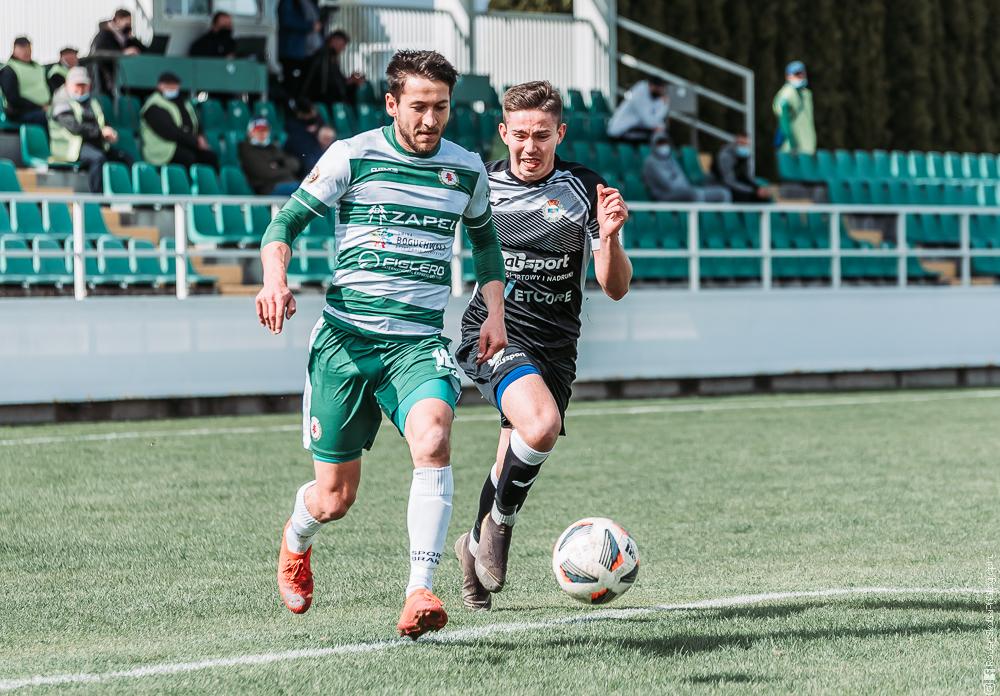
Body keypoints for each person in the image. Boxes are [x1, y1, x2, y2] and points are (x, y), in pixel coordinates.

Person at [258, 49, 507, 639]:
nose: (430, 119)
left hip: (417, 345)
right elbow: (284, 224)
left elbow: (486, 246)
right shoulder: (352, 155)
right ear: (392, 104)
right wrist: (274, 279)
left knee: (434, 437)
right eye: (418, 106)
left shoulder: (466, 169)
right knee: (334, 498)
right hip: (345, 344)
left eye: (441, 107)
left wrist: (495, 312)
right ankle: (296, 537)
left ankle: (420, 590)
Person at [452, 81, 632, 610]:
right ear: (504, 132)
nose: (530, 147)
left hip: (556, 345)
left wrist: (610, 237)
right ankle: (499, 527)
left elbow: (615, 288)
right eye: (520, 135)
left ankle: (472, 547)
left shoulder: (585, 188)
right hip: (495, 330)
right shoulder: (483, 185)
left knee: (513, 454)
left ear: (560, 134)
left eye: (542, 135)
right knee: (541, 424)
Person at [49, 67, 133, 193]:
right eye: (78, 85)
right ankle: (97, 198)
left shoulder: (92, 102)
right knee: (98, 158)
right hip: (71, 148)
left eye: (84, 85)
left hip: (94, 144)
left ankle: (129, 196)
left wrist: (109, 131)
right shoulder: (61, 101)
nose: (81, 89)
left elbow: (102, 121)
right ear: (67, 84)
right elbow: (75, 127)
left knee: (125, 158)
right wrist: (100, 132)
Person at [139, 72, 219, 169]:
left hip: (185, 143)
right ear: (160, 86)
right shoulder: (153, 105)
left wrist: (200, 136)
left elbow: (195, 122)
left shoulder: (184, 102)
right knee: (188, 157)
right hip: (163, 149)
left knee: (210, 157)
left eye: (174, 85)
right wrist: (196, 142)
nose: (172, 88)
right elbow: (169, 132)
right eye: (168, 85)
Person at [642, 133, 730, 203]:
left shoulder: (671, 158)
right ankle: (701, 219)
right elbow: (668, 185)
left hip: (684, 191)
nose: (663, 146)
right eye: (660, 143)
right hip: (665, 195)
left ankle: (720, 218)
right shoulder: (650, 162)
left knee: (723, 193)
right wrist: (687, 189)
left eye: (665, 143)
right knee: (695, 194)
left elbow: (682, 179)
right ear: (653, 145)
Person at [300, 30, 365, 105]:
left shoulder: (332, 60)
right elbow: (326, 85)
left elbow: (338, 82)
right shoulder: (322, 59)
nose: (343, 48)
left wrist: (351, 80)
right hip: (324, 101)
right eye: (342, 45)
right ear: (333, 40)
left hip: (332, 101)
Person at [238, 118, 300, 195]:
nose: (262, 134)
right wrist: (285, 169)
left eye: (264, 130)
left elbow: (295, 165)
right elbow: (265, 173)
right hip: (268, 189)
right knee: (301, 190)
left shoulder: (272, 148)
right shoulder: (246, 149)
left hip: (287, 184)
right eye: (258, 131)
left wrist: (279, 164)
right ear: (250, 133)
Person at [0, 37, 50, 127]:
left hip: (45, 107)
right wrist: (40, 107)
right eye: (22, 49)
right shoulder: (9, 70)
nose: (26, 52)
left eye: (28, 48)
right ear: (14, 50)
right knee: (51, 117)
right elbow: (13, 99)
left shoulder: (38, 67)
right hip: (22, 112)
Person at [278, 0, 323, 97]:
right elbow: (286, 20)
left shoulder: (311, 3)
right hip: (292, 51)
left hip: (307, 53)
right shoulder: (289, 2)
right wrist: (309, 26)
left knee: (303, 86)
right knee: (291, 85)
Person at [606, 76, 669, 143]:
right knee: (657, 138)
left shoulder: (651, 96)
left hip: (632, 129)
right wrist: (664, 106)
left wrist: (660, 126)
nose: (660, 92)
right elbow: (649, 122)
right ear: (651, 86)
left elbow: (656, 120)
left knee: (660, 136)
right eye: (658, 89)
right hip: (619, 133)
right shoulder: (639, 95)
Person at [713, 134, 771, 203]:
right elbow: (729, 181)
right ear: (735, 143)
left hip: (738, 185)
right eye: (742, 144)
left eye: (746, 145)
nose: (744, 146)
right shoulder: (725, 156)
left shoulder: (745, 156)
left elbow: (748, 177)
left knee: (764, 196)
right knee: (751, 196)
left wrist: (758, 188)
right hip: (722, 185)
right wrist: (753, 191)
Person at [773, 60, 816, 155]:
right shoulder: (787, 93)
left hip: (808, 146)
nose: (800, 76)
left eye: (801, 73)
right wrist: (792, 141)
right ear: (788, 76)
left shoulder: (806, 94)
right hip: (791, 148)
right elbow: (783, 117)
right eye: (796, 74)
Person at [283, 97, 336, 174]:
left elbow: (325, 128)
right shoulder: (293, 125)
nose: (313, 113)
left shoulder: (316, 118)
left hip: (315, 147)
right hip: (302, 151)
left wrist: (319, 132)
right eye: (310, 112)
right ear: (300, 114)